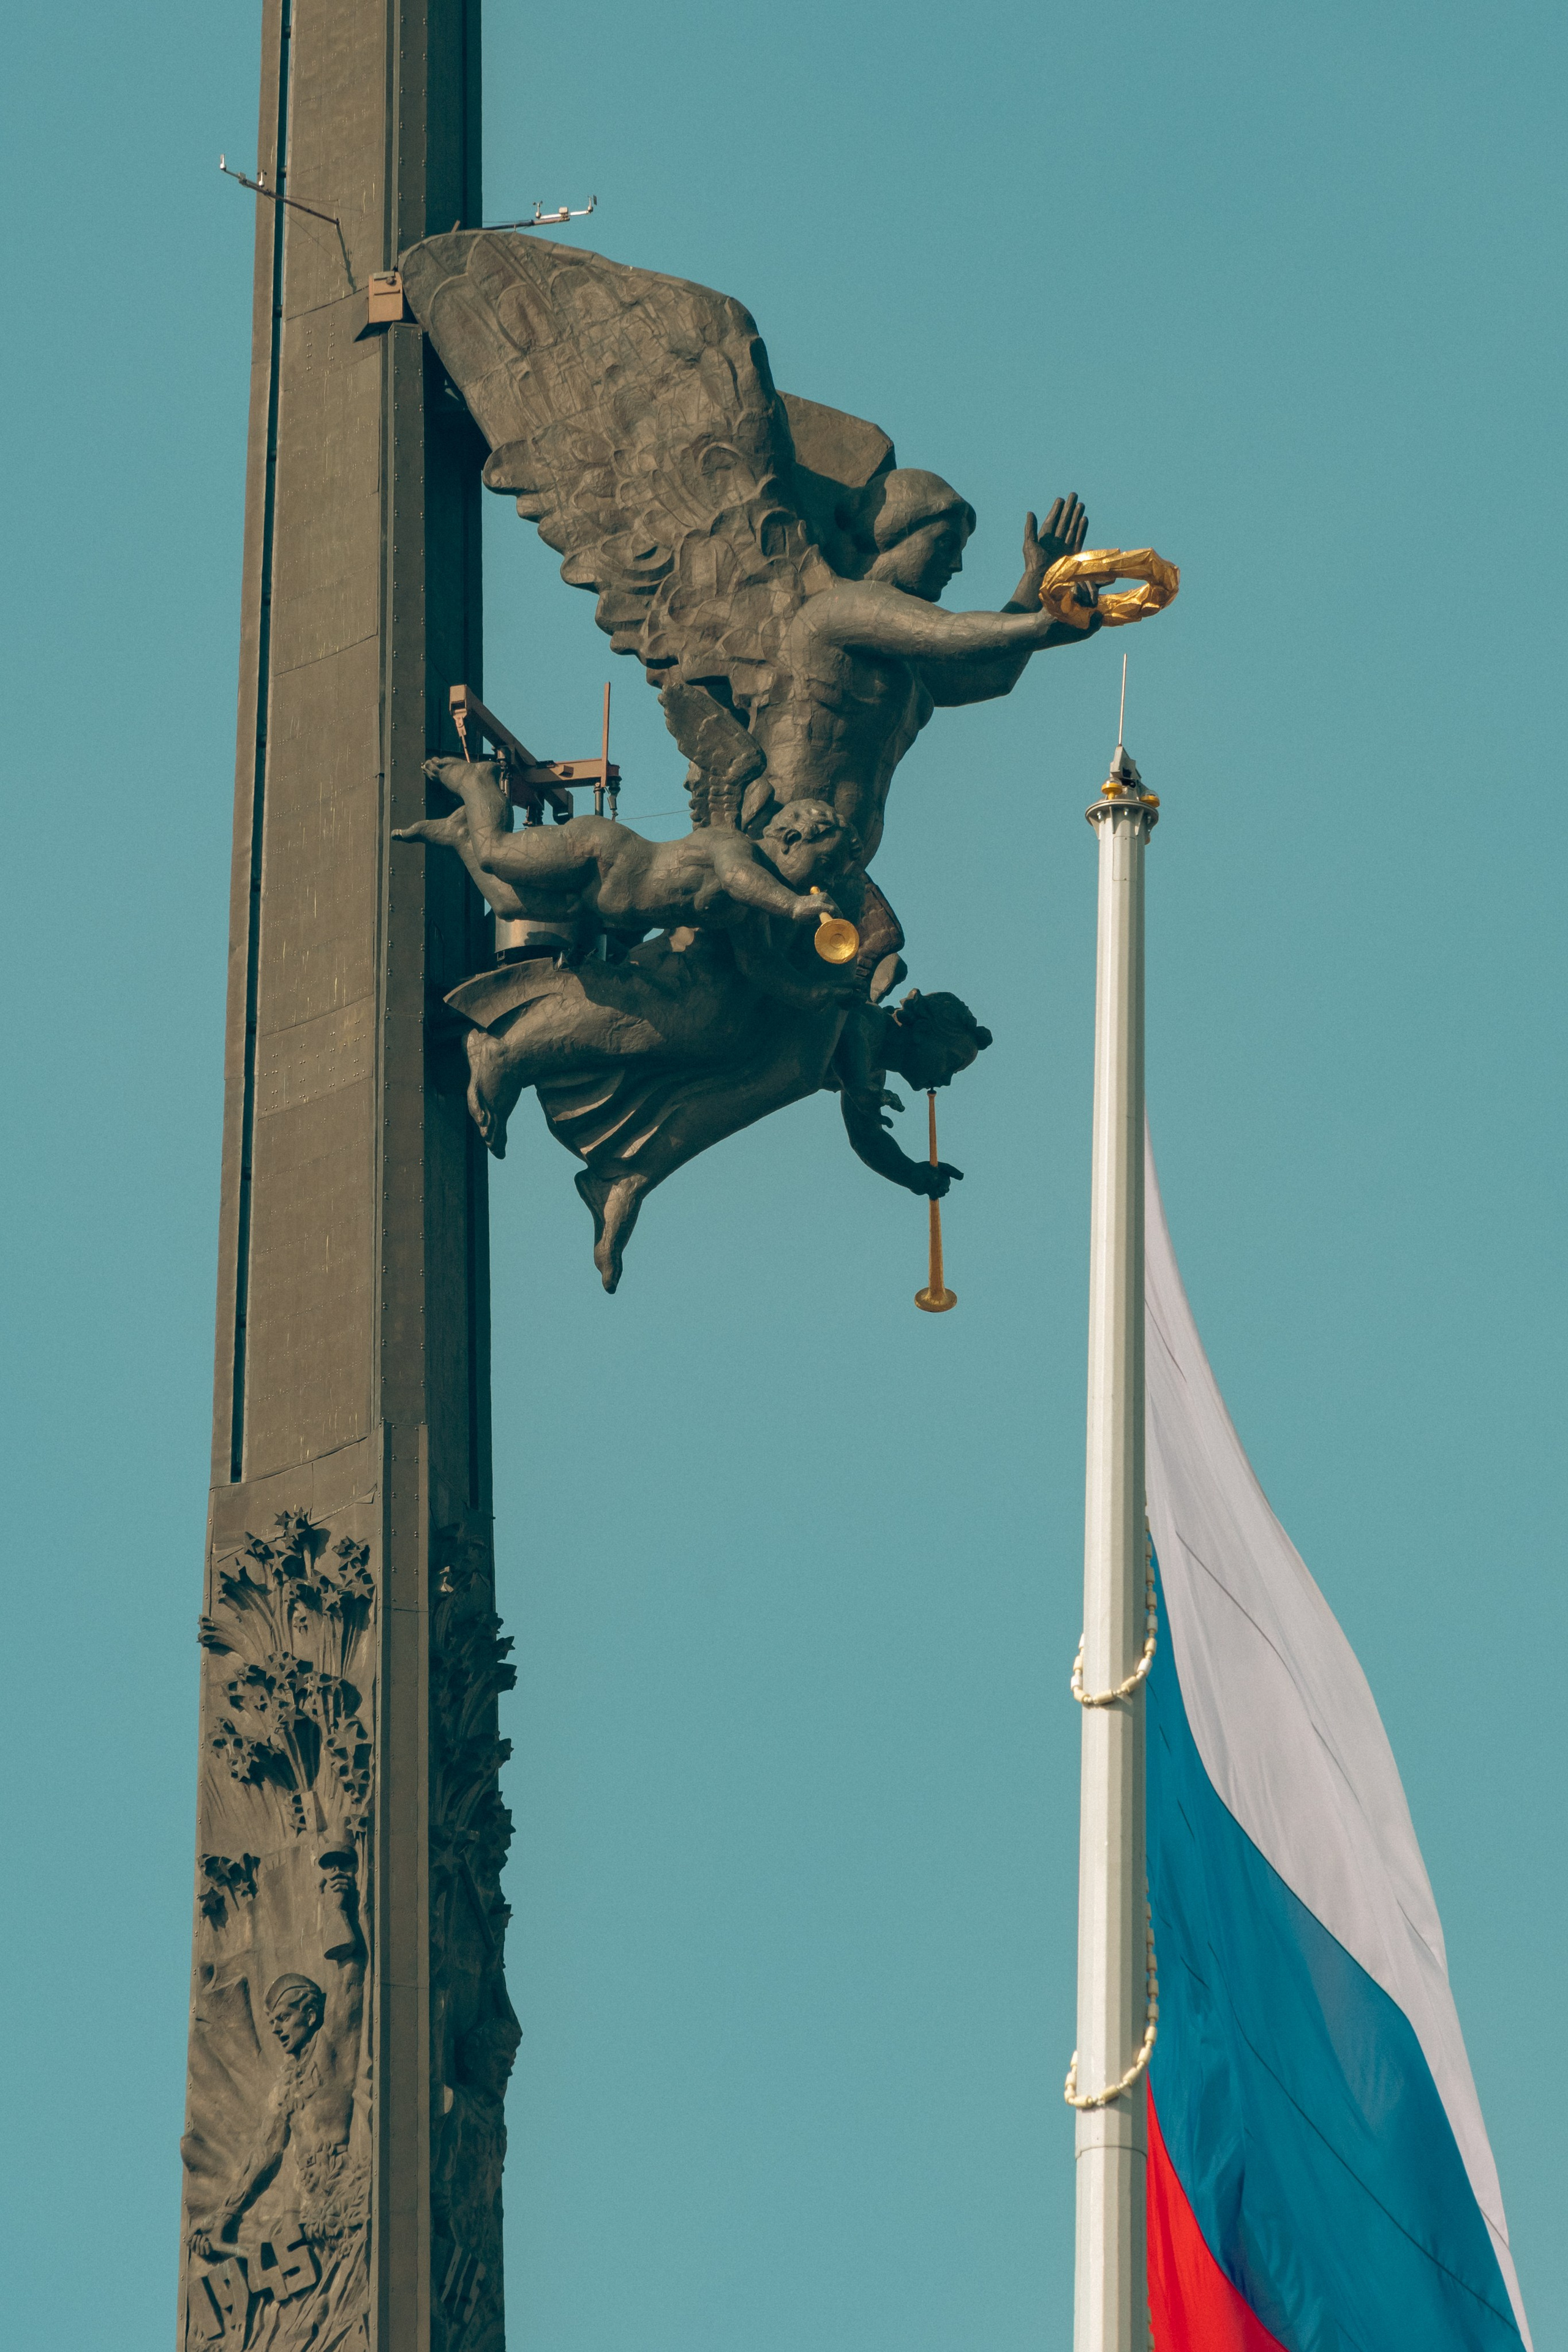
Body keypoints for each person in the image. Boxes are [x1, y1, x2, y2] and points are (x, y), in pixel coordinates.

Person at [743, 486, 1101, 858]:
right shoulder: (840, 606)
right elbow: (947, 634)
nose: (956, 566)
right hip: (781, 845)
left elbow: (992, 674)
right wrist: (1044, 623)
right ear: (892, 537)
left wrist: (1039, 580)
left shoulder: (901, 662)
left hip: (838, 865)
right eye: (945, 544)